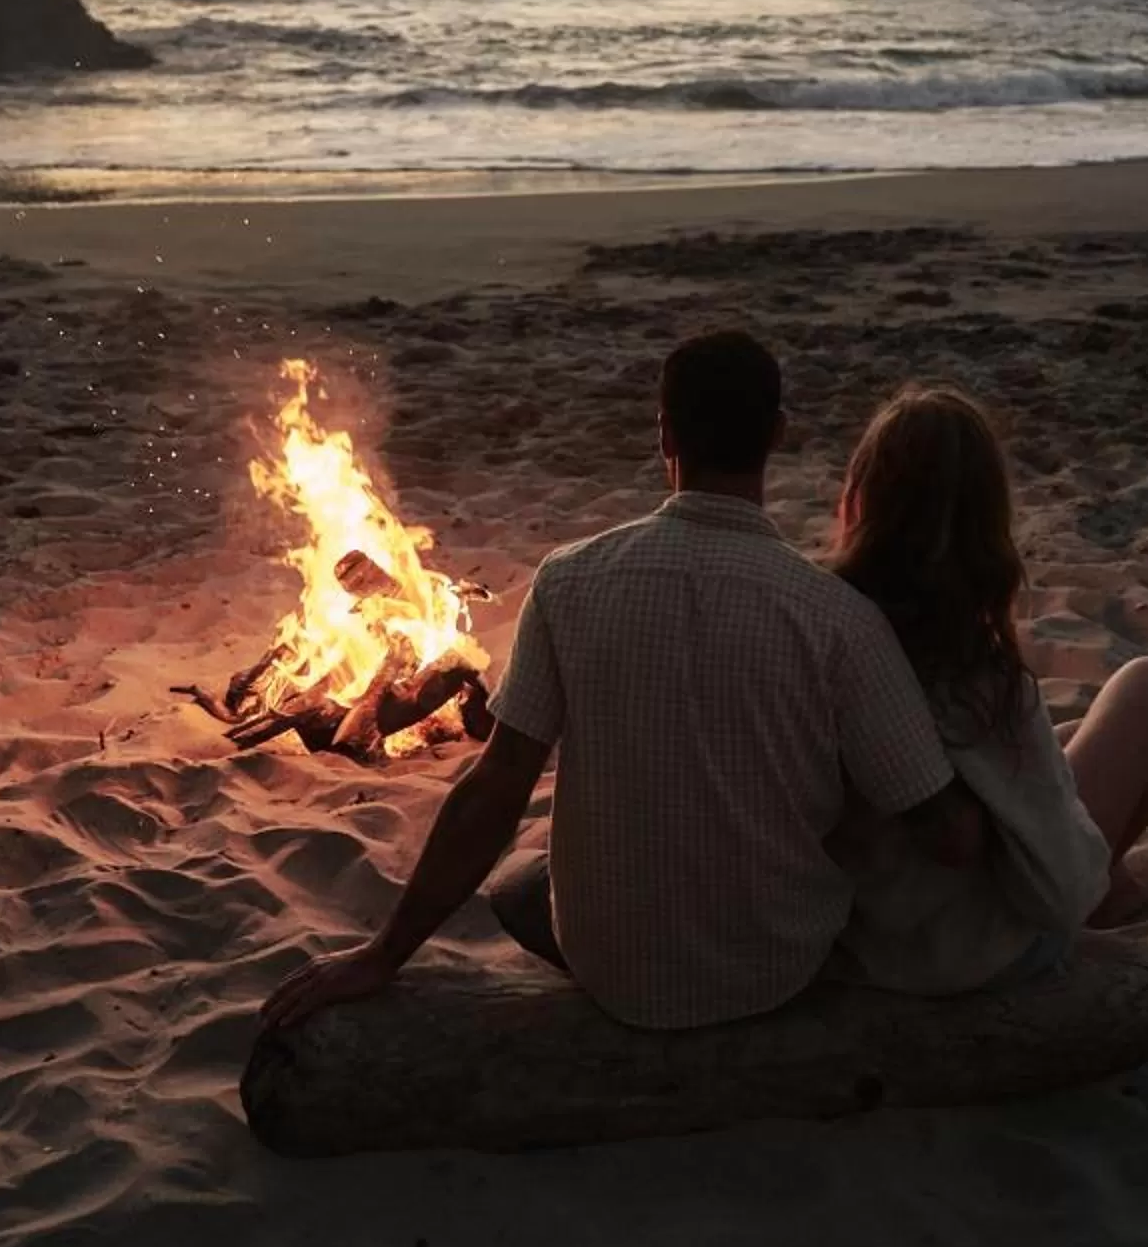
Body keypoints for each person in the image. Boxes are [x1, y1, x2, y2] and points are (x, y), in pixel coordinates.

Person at [260, 330, 984, 1033]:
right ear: (778, 435)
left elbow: (497, 785)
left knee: (520, 881)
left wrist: (384, 954)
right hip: (777, 969)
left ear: (664, 435)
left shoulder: (570, 581)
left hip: (612, 973)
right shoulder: (839, 618)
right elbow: (947, 835)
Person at [825, 385, 1148, 995]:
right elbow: (1057, 883)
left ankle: (1118, 885)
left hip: (854, 935)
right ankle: (1117, 895)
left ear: (859, 499)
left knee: (1066, 740)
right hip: (965, 955)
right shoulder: (973, 670)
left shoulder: (820, 623)